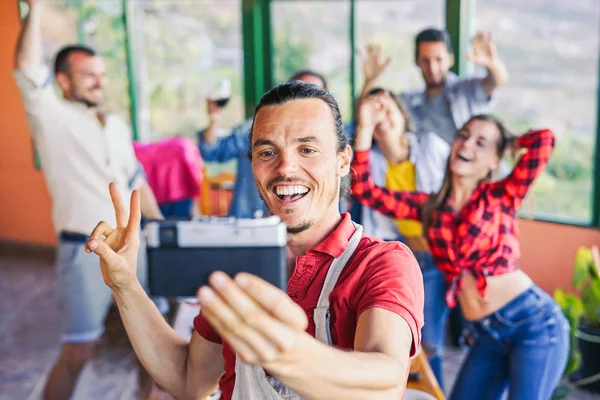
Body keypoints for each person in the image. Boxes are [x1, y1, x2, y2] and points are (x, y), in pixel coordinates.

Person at [85, 81, 424, 399]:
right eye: (267, 153)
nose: (286, 167)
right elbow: (188, 379)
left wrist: (290, 354)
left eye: (307, 149)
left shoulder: (382, 263)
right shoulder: (236, 264)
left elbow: (386, 381)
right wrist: (125, 283)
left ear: (343, 161)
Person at [351, 103, 569, 399]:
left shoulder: (502, 194)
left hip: (533, 324)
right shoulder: (430, 207)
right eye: (463, 136)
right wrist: (364, 128)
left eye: (481, 143)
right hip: (485, 334)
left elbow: (545, 139)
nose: (467, 144)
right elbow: (365, 190)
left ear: (494, 160)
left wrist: (509, 142)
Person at [13, 1, 164, 399]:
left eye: (101, 75)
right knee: (79, 350)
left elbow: (136, 180)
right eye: (88, 76)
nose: (100, 82)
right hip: (83, 250)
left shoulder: (116, 124)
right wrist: (36, 12)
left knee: (151, 343)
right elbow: (27, 70)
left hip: (135, 244)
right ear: (63, 81)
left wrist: (162, 226)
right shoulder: (52, 118)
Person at [354, 89, 451, 389]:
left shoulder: (432, 147)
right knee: (396, 340)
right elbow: (359, 186)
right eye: (374, 112)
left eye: (387, 109)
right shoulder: (369, 160)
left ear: (402, 114)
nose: (382, 116)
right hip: (398, 256)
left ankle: (435, 392)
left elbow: (460, 187)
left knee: (431, 340)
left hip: (436, 257)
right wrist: (364, 126)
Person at [199, 70, 328, 218]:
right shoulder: (255, 128)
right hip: (250, 223)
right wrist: (214, 117)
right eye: (267, 153)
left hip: (305, 226)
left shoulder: (330, 137)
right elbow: (212, 151)